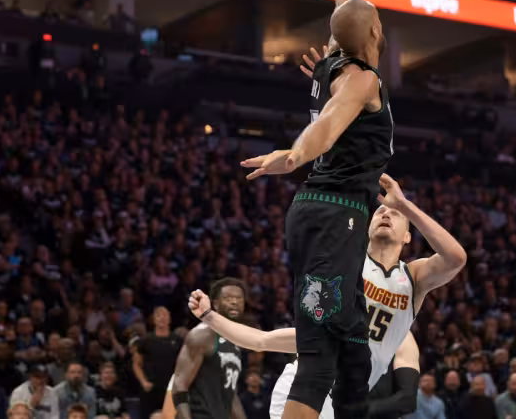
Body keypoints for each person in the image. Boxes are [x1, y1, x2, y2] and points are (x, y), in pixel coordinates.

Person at [240, 0, 390, 419]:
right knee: (320, 358)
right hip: (333, 217)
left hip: (328, 215)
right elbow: (327, 124)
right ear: (373, 31)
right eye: (376, 16)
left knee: (354, 356)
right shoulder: (360, 81)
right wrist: (295, 154)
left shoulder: (339, 56)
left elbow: (345, 4)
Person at [189, 174, 466, 419]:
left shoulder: (413, 277)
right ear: (367, 228)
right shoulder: (345, 266)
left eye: (394, 214)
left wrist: (403, 204)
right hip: (307, 383)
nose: (385, 213)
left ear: (408, 236)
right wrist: (208, 315)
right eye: (380, 210)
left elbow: (455, 257)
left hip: (347, 397)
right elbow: (263, 340)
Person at [161, 278, 248, 419]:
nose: (234, 302)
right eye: (228, 298)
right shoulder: (202, 335)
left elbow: (230, 393)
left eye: (239, 298)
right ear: (215, 304)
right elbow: (179, 385)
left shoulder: (235, 342)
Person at [133, 308, 181, 419]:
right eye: (159, 315)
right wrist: (143, 381)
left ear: (170, 319)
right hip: (151, 388)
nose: (162, 318)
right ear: (153, 320)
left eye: (165, 315)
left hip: (171, 388)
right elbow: (136, 364)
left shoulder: (178, 340)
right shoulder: (145, 340)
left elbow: (184, 364)